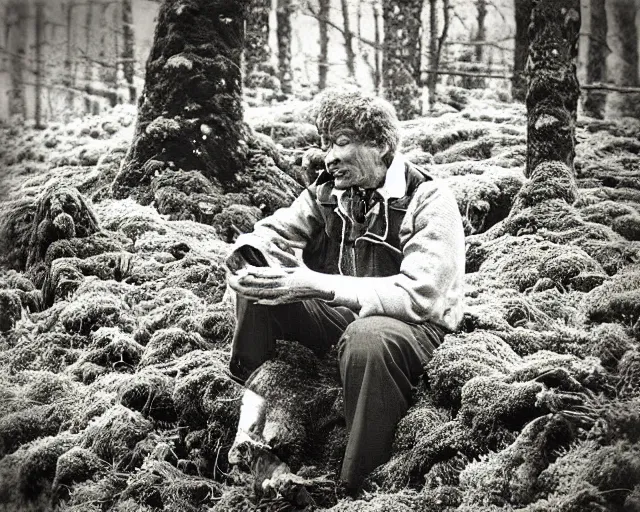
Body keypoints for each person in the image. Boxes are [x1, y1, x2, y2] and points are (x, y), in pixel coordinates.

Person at [225, 89, 465, 492]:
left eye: (340, 143)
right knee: (261, 287)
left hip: (413, 328)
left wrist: (314, 283)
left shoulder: (428, 199)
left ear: (381, 144)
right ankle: (246, 423)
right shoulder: (326, 195)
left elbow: (419, 296)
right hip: (344, 319)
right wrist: (244, 263)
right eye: (324, 146)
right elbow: (269, 234)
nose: (328, 157)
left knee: (366, 338)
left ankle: (355, 486)